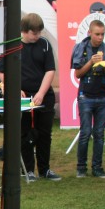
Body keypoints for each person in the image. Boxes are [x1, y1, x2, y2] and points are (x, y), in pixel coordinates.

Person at [71, 19, 105, 179]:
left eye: (102, 34)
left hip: (102, 96)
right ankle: (81, 167)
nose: (100, 37)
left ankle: (97, 167)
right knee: (85, 132)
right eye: (97, 34)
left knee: (99, 134)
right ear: (90, 33)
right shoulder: (81, 48)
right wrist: (91, 62)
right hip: (86, 96)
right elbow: (78, 74)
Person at [20, 13, 60, 181]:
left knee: (44, 134)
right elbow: (2, 71)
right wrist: (15, 89)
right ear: (25, 30)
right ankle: (27, 170)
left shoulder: (45, 44)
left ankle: (45, 169)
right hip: (23, 98)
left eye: (39, 32)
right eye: (34, 33)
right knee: (25, 133)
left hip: (44, 97)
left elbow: (50, 70)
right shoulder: (14, 45)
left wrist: (41, 93)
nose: (37, 36)